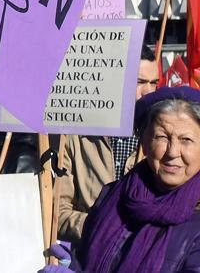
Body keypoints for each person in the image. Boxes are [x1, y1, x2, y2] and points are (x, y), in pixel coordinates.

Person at [45, 86, 200, 272]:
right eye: (161, 137)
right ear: (144, 142)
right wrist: (75, 265)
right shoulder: (113, 196)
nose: (172, 152)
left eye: (186, 140)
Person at [55, 47, 161, 242]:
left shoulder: (162, 138)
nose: (148, 91)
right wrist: (102, 227)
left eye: (154, 83)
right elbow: (56, 213)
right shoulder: (77, 136)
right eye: (139, 82)